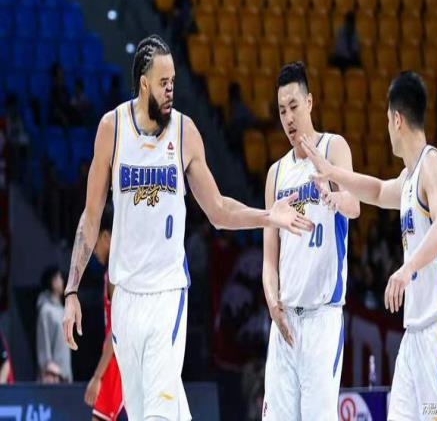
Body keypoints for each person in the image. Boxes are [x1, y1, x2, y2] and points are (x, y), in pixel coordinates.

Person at [62, 34, 312, 421]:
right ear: (143, 83)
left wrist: (268, 216)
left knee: (157, 415)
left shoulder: (185, 132)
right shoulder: (112, 129)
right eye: (163, 83)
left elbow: (218, 210)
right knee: (146, 412)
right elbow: (91, 216)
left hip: (167, 295)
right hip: (125, 297)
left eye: (173, 82)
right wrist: (72, 289)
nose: (170, 90)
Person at [301, 71, 437, 420]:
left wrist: (406, 269)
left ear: (396, 119)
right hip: (414, 337)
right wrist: (331, 171)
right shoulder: (409, 179)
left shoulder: (432, 163)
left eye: (386, 120)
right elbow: (378, 191)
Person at [262, 62, 360, 421]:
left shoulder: (334, 148)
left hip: (322, 318)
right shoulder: (276, 173)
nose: (288, 118)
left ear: (310, 103)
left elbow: (354, 207)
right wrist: (272, 303)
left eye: (294, 106)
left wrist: (332, 195)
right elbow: (269, 257)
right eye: (282, 111)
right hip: (285, 320)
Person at [84, 204, 125, 421]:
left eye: (95, 242)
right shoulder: (115, 271)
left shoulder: (115, 275)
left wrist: (97, 377)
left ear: (107, 237)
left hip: (116, 361)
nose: (93, 250)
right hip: (117, 359)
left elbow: (116, 331)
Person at [37, 266, 72, 383]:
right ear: (52, 282)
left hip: (64, 374)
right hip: (52, 377)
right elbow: (43, 341)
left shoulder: (62, 309)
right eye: (59, 278)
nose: (62, 281)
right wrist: (47, 365)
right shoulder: (46, 311)